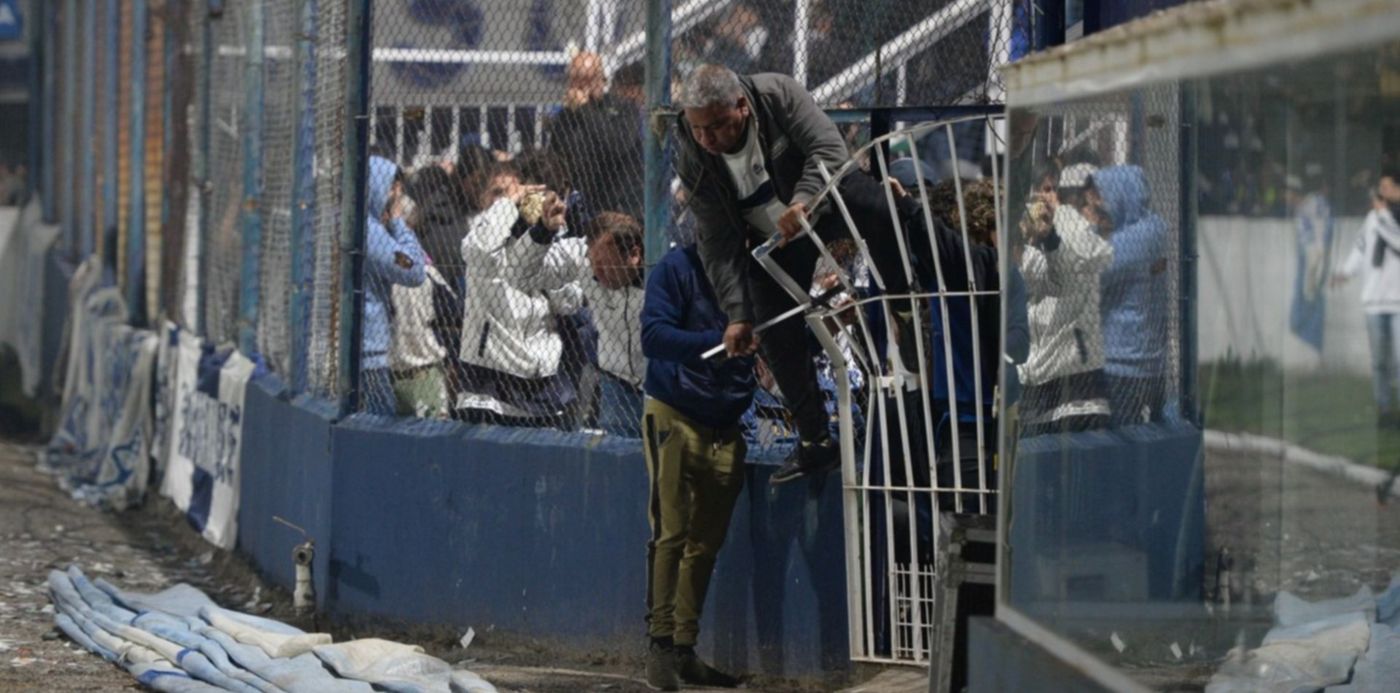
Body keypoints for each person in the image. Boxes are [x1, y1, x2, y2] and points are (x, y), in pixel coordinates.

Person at [673, 64, 921, 485]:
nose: (707, 138)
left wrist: (805, 201)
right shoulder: (693, 152)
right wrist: (737, 314)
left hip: (823, 199)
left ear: (742, 106)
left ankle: (906, 296)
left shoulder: (777, 94)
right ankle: (815, 442)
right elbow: (715, 238)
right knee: (770, 325)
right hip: (774, 238)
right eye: (698, 129)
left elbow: (828, 151)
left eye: (716, 126)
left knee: (878, 206)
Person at [639, 243, 755, 691]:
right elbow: (653, 337)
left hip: (726, 422)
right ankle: (660, 647)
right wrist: (718, 341)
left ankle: (685, 649)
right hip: (675, 411)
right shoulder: (678, 267)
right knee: (670, 531)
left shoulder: (751, 268)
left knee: (705, 542)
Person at [455, 161, 579, 426]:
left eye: (518, 192)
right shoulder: (484, 233)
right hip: (488, 384)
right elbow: (480, 252)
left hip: (541, 383)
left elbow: (568, 302)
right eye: (498, 192)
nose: (515, 198)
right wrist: (507, 205)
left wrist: (546, 236)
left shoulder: (555, 240)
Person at [516, 210, 648, 436]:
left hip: (662, 386)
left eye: (605, 265)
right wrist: (543, 230)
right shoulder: (583, 254)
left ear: (634, 255)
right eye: (592, 263)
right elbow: (523, 271)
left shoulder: (666, 268)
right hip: (617, 385)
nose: (596, 273)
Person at [1017, 162, 1114, 436]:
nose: (1047, 198)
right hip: (1035, 380)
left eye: (1053, 191)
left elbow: (1068, 273)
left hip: (1076, 384)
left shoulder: (1074, 228)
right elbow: (1027, 279)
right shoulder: (1023, 235)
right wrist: (1024, 239)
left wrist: (1051, 237)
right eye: (1042, 190)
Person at [1095, 164, 1171, 426]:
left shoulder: (1144, 234)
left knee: (1124, 435)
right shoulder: (1151, 229)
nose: (1099, 208)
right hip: (1145, 359)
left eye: (1105, 198)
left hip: (1125, 360)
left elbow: (1092, 269)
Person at [544, 51, 645, 222]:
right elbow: (555, 157)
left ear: (601, 79)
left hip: (619, 204)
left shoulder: (623, 109)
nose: (581, 86)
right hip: (581, 205)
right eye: (575, 80)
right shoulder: (566, 117)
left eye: (588, 79)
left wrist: (584, 108)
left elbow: (616, 145)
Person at [1333, 171, 1400, 425]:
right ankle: (1383, 408)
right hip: (1374, 300)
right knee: (1380, 360)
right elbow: (1361, 248)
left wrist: (1383, 215)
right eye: (1379, 187)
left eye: (1386, 186)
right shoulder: (1373, 218)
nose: (1380, 192)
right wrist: (1345, 272)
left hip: (1397, 302)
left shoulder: (1386, 217)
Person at [363, 156, 428, 415]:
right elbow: (414, 271)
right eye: (393, 190)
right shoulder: (369, 231)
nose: (397, 197)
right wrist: (398, 222)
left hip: (367, 349)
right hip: (368, 357)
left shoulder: (362, 226)